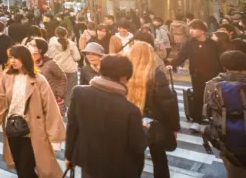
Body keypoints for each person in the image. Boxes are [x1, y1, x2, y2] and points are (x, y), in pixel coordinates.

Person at [65, 54, 148, 178]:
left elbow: (72, 127)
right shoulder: (130, 110)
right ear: (123, 77)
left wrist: (69, 156)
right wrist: (145, 129)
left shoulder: (79, 93)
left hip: (88, 163)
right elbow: (138, 145)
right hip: (118, 169)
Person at [0, 45, 65, 178]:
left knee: (26, 168)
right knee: (19, 167)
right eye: (11, 57)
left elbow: (50, 107)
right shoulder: (6, 76)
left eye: (16, 58)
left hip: (32, 129)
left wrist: (55, 137)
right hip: (12, 127)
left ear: (25, 58)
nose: (13, 61)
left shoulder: (39, 79)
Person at [126, 42, 179, 178]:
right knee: (158, 156)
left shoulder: (124, 73)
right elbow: (167, 103)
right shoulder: (156, 74)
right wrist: (174, 127)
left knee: (135, 157)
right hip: (154, 122)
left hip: (131, 121)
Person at [167, 19, 222, 126]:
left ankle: (216, 118)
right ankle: (197, 120)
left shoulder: (213, 44)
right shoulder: (189, 43)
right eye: (190, 28)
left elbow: (219, 58)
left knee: (214, 96)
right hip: (197, 74)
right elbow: (181, 56)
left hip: (213, 74)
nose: (191, 31)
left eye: (194, 28)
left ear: (202, 31)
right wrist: (172, 64)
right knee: (197, 96)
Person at [203, 50, 246, 175]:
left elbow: (208, 111)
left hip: (228, 141)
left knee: (235, 172)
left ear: (224, 66)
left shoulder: (212, 84)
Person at [30, 38, 67, 114]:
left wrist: (59, 94)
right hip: (35, 100)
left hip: (50, 99)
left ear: (40, 50)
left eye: (33, 45)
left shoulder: (50, 63)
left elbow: (62, 77)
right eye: (29, 44)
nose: (29, 46)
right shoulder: (29, 63)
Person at [47, 27, 81, 108]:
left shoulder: (52, 44)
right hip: (70, 70)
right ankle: (69, 107)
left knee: (58, 90)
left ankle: (59, 107)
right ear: (66, 34)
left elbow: (49, 55)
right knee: (70, 91)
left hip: (57, 70)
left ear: (56, 34)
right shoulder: (71, 44)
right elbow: (77, 57)